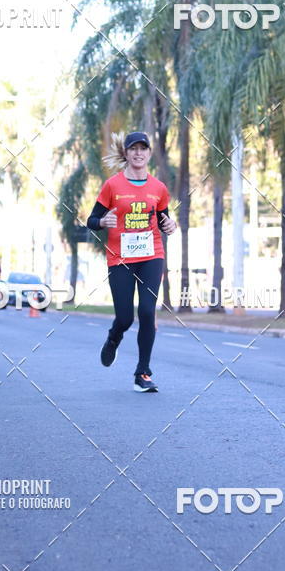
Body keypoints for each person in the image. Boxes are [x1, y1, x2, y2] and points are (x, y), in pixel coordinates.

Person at [87, 131, 177, 393]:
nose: (138, 153)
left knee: (148, 312)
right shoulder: (112, 186)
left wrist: (170, 225)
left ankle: (143, 373)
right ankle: (113, 338)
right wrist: (103, 222)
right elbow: (92, 220)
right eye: (133, 149)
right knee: (125, 318)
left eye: (143, 149)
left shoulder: (158, 188)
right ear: (126, 153)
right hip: (120, 259)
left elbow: (163, 220)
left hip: (151, 255)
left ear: (149, 154)